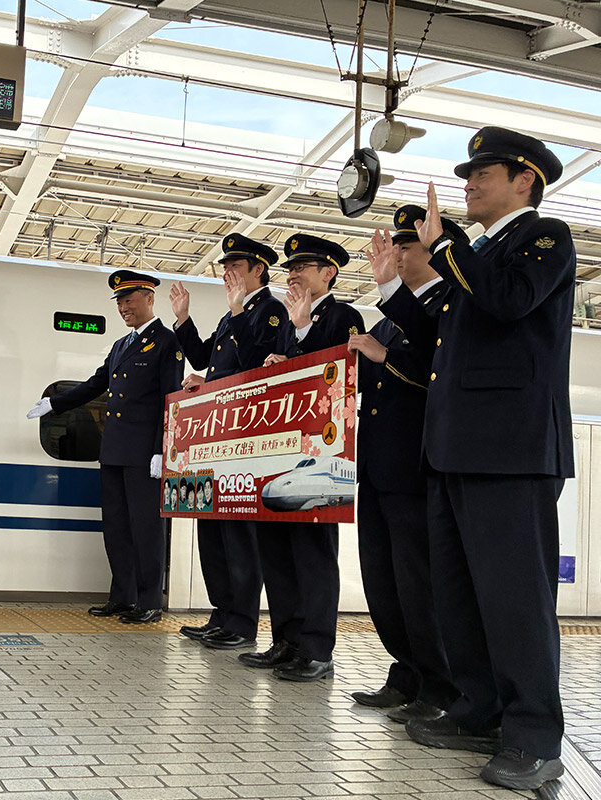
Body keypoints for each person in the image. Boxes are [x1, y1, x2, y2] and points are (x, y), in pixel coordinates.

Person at [388, 127, 574, 791]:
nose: (468, 183)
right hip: (456, 451)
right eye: (468, 174)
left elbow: (508, 300)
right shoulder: (478, 254)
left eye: (483, 173)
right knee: (461, 593)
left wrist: (445, 245)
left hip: (511, 451)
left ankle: (534, 736)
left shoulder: (544, 236)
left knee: (515, 598)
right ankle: (478, 709)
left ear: (525, 179)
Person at [346, 205, 462, 725]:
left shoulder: (447, 304)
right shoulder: (390, 319)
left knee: (420, 584)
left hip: (413, 471)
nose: (395, 253)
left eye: (407, 246)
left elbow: (431, 371)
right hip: (375, 469)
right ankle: (408, 671)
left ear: (437, 253)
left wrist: (381, 356)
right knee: (384, 582)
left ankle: (441, 685)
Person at [27, 270, 183, 624]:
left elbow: (170, 401)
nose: (124, 307)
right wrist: (55, 403)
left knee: (146, 529)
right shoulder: (120, 346)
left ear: (149, 298)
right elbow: (95, 384)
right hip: (112, 450)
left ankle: (149, 602)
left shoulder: (167, 343)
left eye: (130, 299)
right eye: (120, 301)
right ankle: (123, 597)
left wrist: (163, 449)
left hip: (145, 454)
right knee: (116, 527)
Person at [242, 233, 364, 682]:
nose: (292, 274)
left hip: (321, 457)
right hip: (283, 454)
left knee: (313, 556)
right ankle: (286, 641)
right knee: (278, 552)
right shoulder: (291, 320)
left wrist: (301, 331)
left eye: (303, 267)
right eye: (290, 268)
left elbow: (340, 371)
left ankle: (316, 649)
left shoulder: (342, 315)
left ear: (329, 273)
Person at [171, 234, 285, 651]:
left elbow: (257, 364)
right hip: (216, 437)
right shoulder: (231, 314)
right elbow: (206, 359)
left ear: (259, 269)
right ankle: (222, 614)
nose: (228, 273)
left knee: (239, 536)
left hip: (244, 439)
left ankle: (242, 623)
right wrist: (183, 319)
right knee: (213, 532)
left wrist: (237, 309)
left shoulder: (271, 310)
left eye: (237, 266)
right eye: (225, 267)